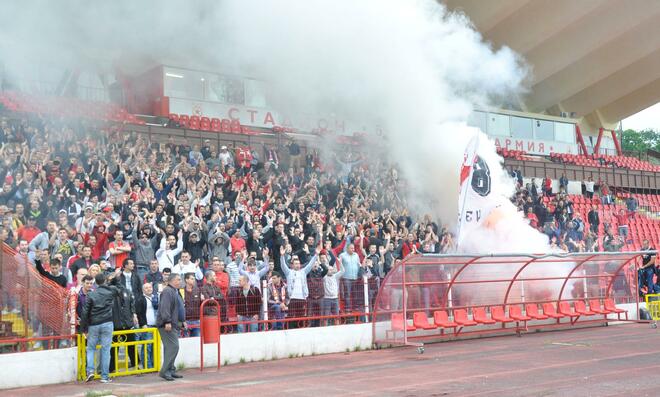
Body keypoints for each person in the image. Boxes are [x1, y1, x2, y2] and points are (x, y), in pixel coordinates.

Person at [80, 273, 119, 383]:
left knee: (91, 348)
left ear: (95, 282)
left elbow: (85, 312)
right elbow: (119, 288)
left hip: (94, 324)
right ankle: (104, 377)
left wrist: (83, 329)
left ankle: (90, 371)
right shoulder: (110, 291)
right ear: (105, 281)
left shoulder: (91, 294)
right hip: (107, 322)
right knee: (106, 349)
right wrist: (114, 279)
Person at [280, 245, 320, 328]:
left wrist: (316, 254)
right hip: (292, 298)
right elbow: (283, 266)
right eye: (295, 264)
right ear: (292, 265)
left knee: (301, 316)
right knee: (291, 316)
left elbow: (310, 264)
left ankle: (300, 330)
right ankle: (291, 330)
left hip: (302, 298)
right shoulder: (289, 272)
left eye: (298, 264)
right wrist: (282, 256)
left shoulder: (303, 272)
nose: (297, 265)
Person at [157, 273, 184, 381]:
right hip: (167, 324)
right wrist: (167, 321)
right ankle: (165, 371)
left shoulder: (174, 291)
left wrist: (182, 320)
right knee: (173, 347)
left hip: (173, 323)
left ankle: (170, 370)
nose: (180, 281)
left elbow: (178, 308)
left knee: (170, 347)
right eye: (178, 279)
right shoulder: (168, 291)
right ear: (172, 280)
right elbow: (165, 307)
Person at [135, 282, 159, 370]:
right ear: (143, 290)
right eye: (146, 288)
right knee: (147, 347)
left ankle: (154, 365)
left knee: (154, 347)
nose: (149, 289)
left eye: (150, 287)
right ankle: (147, 366)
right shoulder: (140, 299)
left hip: (155, 326)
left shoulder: (155, 298)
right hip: (147, 326)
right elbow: (139, 313)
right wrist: (143, 324)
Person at [182, 272, 202, 337]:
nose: (194, 280)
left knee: (196, 341)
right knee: (186, 341)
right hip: (186, 320)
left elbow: (200, 304)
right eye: (192, 279)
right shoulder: (181, 291)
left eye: (194, 279)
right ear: (186, 280)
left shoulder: (198, 290)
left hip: (196, 319)